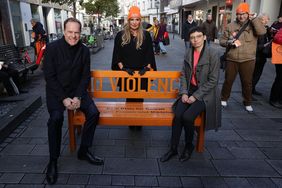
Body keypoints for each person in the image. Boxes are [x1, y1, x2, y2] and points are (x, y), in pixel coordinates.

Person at [43, 18, 104, 185]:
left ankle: (84, 150)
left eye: (76, 32)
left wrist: (77, 97)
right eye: (70, 32)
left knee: (94, 113)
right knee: (55, 119)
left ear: (80, 33)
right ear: (64, 32)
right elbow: (49, 77)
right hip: (57, 93)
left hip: (77, 92)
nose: (73, 36)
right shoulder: (52, 48)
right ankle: (53, 161)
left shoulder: (84, 50)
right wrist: (63, 98)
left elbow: (85, 76)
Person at [160, 26, 221, 162]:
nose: (195, 40)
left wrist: (196, 96)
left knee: (188, 117)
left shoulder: (213, 53)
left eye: (198, 36)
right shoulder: (189, 52)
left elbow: (213, 81)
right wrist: (184, 93)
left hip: (205, 94)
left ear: (204, 37)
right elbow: (183, 75)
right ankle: (173, 149)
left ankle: (189, 146)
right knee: (177, 116)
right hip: (189, 90)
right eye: (192, 38)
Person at [111, 6, 156, 130]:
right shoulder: (120, 35)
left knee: (140, 98)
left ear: (140, 21)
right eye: (132, 19)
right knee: (130, 98)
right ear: (128, 20)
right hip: (127, 72)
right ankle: (131, 120)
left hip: (141, 73)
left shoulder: (146, 35)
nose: (135, 22)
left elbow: (149, 54)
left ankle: (139, 120)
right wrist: (123, 68)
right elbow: (117, 55)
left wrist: (147, 68)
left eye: (137, 19)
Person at [220, 2, 266, 113]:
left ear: (248, 13)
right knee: (228, 80)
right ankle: (224, 98)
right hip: (232, 58)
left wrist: (254, 19)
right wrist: (229, 42)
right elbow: (222, 41)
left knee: (247, 82)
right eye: (239, 14)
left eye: (244, 14)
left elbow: (262, 32)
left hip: (248, 59)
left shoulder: (254, 24)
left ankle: (248, 102)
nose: (241, 16)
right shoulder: (231, 25)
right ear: (236, 14)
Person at [252, 13, 271, 96]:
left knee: (258, 74)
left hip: (262, 56)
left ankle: (253, 89)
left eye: (267, 19)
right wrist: (264, 45)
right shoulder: (256, 30)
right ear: (260, 20)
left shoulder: (266, 29)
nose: (267, 21)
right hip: (256, 56)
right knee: (253, 75)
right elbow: (253, 45)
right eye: (265, 19)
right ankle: (249, 93)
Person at [269, 26, 282, 109]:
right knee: (280, 79)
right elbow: (276, 38)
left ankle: (280, 99)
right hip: (280, 58)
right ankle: (274, 99)